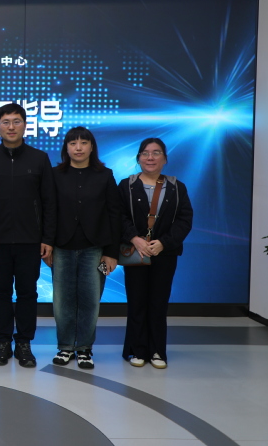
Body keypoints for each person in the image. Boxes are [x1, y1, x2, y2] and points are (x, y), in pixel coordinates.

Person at [0, 103, 56, 368]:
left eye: (16, 121)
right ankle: (2, 342)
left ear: (25, 125)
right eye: (6, 122)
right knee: (0, 292)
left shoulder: (39, 158)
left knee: (27, 293)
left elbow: (49, 202)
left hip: (30, 240)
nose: (11, 127)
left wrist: (47, 238)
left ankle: (24, 342)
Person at [50, 126, 121, 369]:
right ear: (66, 148)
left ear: (92, 147)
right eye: (73, 143)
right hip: (61, 247)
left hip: (95, 248)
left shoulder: (105, 175)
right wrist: (47, 244)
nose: (78, 148)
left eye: (83, 143)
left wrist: (111, 252)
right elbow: (48, 212)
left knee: (90, 301)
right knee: (63, 301)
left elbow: (114, 214)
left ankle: (84, 349)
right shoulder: (55, 174)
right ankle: (65, 346)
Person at [119, 138, 192, 369]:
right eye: (145, 153)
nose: (150, 157)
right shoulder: (127, 185)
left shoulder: (177, 187)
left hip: (164, 254)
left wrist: (164, 243)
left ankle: (158, 351)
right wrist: (135, 238)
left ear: (165, 159)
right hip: (136, 252)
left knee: (159, 303)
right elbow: (118, 216)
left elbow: (184, 220)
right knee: (137, 302)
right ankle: (137, 350)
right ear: (138, 158)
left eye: (156, 153)